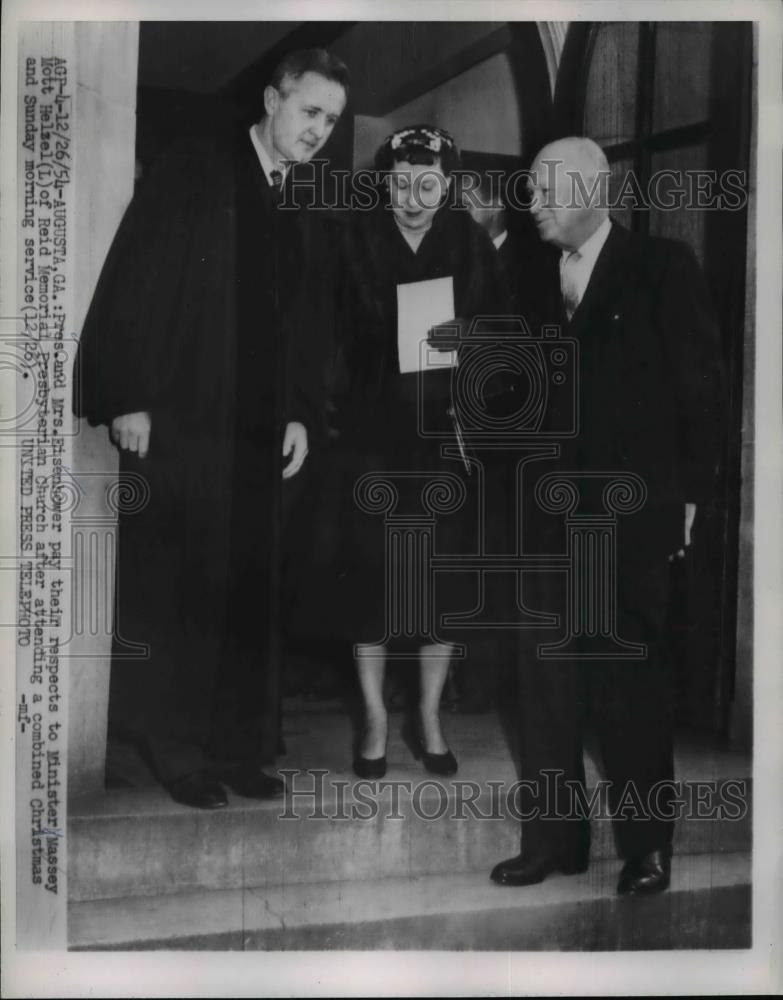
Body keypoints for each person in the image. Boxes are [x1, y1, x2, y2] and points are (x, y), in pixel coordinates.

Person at [74, 49, 349, 809]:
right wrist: (127, 394)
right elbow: (134, 277)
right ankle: (175, 750)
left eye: (330, 119)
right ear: (271, 100)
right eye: (308, 111)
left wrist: (298, 411)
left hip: (259, 433)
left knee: (246, 589)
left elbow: (301, 326)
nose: (318, 130)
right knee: (178, 585)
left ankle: (236, 748)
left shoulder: (298, 200)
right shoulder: (197, 167)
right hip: (182, 423)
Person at [490, 137, 725, 894]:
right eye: (528, 191)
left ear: (598, 191)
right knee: (545, 684)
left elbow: (702, 393)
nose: (534, 205)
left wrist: (688, 497)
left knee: (630, 685)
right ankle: (554, 843)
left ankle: (645, 849)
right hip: (543, 518)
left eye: (549, 191)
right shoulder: (522, 276)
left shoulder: (662, 268)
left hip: (630, 520)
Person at [334, 125, 509, 779]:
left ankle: (429, 715)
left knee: (442, 579)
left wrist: (469, 342)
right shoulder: (352, 239)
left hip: (444, 438)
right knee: (373, 578)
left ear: (448, 186)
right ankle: (376, 717)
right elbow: (324, 334)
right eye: (401, 183)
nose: (412, 196)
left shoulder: (468, 243)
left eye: (427, 184)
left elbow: (500, 336)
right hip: (369, 437)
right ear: (385, 181)